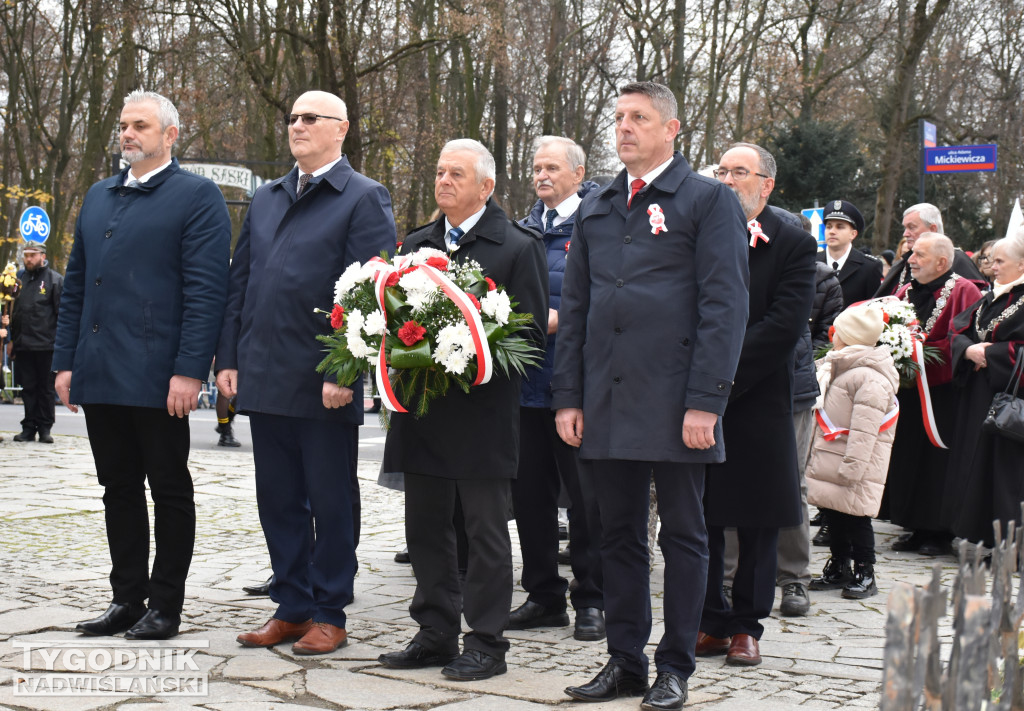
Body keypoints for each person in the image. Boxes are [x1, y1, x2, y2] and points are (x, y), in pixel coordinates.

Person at [553, 82, 749, 711]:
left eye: (639, 117)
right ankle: (625, 660)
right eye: (618, 118)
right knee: (617, 534)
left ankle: (676, 667)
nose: (625, 128)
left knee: (685, 536)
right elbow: (576, 308)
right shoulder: (598, 206)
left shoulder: (708, 199)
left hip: (677, 401)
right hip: (606, 399)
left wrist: (707, 401)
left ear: (673, 129)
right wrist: (568, 396)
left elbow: (725, 307)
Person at [219, 90, 395, 655]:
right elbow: (239, 283)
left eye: (309, 118)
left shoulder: (363, 197)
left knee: (330, 498)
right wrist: (229, 358)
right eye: (292, 118)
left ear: (340, 129)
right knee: (277, 498)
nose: (297, 125)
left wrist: (345, 368)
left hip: (324, 383)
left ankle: (329, 611)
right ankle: (291, 606)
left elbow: (372, 292)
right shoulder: (267, 197)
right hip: (265, 374)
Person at [54, 89, 230, 640]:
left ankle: (165, 605)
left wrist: (188, 370)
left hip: (160, 376)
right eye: (124, 125)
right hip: (101, 368)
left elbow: (207, 292)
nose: (127, 134)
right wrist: (65, 363)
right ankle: (126, 598)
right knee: (118, 488)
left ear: (170, 135)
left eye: (140, 126)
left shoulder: (198, 198)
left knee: (169, 488)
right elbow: (78, 285)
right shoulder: (98, 195)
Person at [377, 139, 547, 681]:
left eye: (457, 174)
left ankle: (487, 643)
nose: (444, 181)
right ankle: (435, 633)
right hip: (423, 413)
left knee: (484, 535)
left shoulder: (517, 247)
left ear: (486, 187)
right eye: (440, 171)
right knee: (425, 528)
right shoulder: (417, 244)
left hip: (482, 416)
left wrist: (471, 354)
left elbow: (530, 337)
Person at [699, 144, 815, 664]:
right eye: (721, 171)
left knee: (758, 519)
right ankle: (710, 620)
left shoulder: (792, 242)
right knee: (701, 514)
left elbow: (784, 327)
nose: (727, 180)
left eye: (739, 172)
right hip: (697, 397)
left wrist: (720, 373)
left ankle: (748, 624)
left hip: (757, 393)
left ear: (766, 185)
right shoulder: (693, 233)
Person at [508, 136, 605, 642]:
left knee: (587, 500)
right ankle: (543, 595)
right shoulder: (522, 230)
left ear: (577, 173)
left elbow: (613, 299)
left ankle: (592, 598)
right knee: (530, 498)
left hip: (578, 386)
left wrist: (564, 319)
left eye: (551, 168)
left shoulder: (599, 224)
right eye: (536, 168)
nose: (541, 176)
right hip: (525, 386)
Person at [885, 234, 982, 555]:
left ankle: (938, 531)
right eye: (911, 254)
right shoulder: (904, 290)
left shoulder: (965, 291)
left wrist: (920, 355)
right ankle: (912, 524)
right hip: (908, 391)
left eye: (919, 255)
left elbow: (962, 340)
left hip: (943, 395)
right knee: (908, 456)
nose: (910, 259)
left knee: (936, 463)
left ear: (942, 262)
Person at [807, 303, 899, 598]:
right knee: (834, 513)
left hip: (853, 462)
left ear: (847, 337)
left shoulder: (869, 378)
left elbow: (865, 429)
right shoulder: (842, 365)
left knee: (857, 518)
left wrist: (853, 466)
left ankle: (865, 570)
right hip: (833, 458)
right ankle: (839, 565)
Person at [943, 231, 1024, 548]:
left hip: (1008, 401)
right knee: (974, 467)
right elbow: (958, 330)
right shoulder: (993, 296)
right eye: (992, 261)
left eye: (1000, 261)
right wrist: (968, 351)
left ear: (1021, 264)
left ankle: (1007, 545)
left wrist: (989, 354)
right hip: (977, 397)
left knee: (1003, 475)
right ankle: (977, 535)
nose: (992, 267)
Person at [10, 241, 63, 443]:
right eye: (26, 255)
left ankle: (45, 427)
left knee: (46, 389)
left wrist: (61, 345)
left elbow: (61, 315)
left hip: (47, 346)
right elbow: (15, 310)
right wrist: (12, 339)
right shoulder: (19, 280)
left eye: (32, 255)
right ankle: (29, 427)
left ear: (42, 256)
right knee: (28, 388)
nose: (28, 259)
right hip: (23, 345)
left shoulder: (55, 280)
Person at [875, 203, 985, 297]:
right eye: (905, 228)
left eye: (911, 227)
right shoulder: (904, 262)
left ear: (932, 229)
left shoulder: (958, 260)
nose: (905, 234)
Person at [817, 200, 883, 306]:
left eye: (839, 227)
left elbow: (875, 310)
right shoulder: (812, 262)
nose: (832, 231)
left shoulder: (869, 267)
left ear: (853, 234)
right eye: (829, 226)